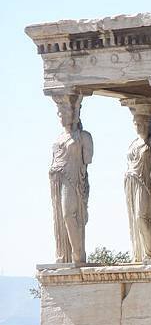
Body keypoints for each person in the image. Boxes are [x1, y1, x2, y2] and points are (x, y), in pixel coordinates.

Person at [49, 95, 93, 263]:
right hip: (57, 180)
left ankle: (78, 254)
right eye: (59, 113)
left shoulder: (84, 137)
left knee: (69, 214)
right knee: (60, 217)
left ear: (74, 114)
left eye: (64, 113)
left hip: (73, 179)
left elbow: (87, 159)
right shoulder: (58, 138)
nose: (61, 116)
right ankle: (65, 255)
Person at [125, 113, 151, 261]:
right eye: (136, 124)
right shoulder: (133, 143)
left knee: (141, 216)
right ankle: (142, 252)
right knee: (136, 218)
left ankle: (150, 252)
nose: (139, 127)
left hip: (146, 184)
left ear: (148, 124)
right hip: (133, 183)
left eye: (142, 124)